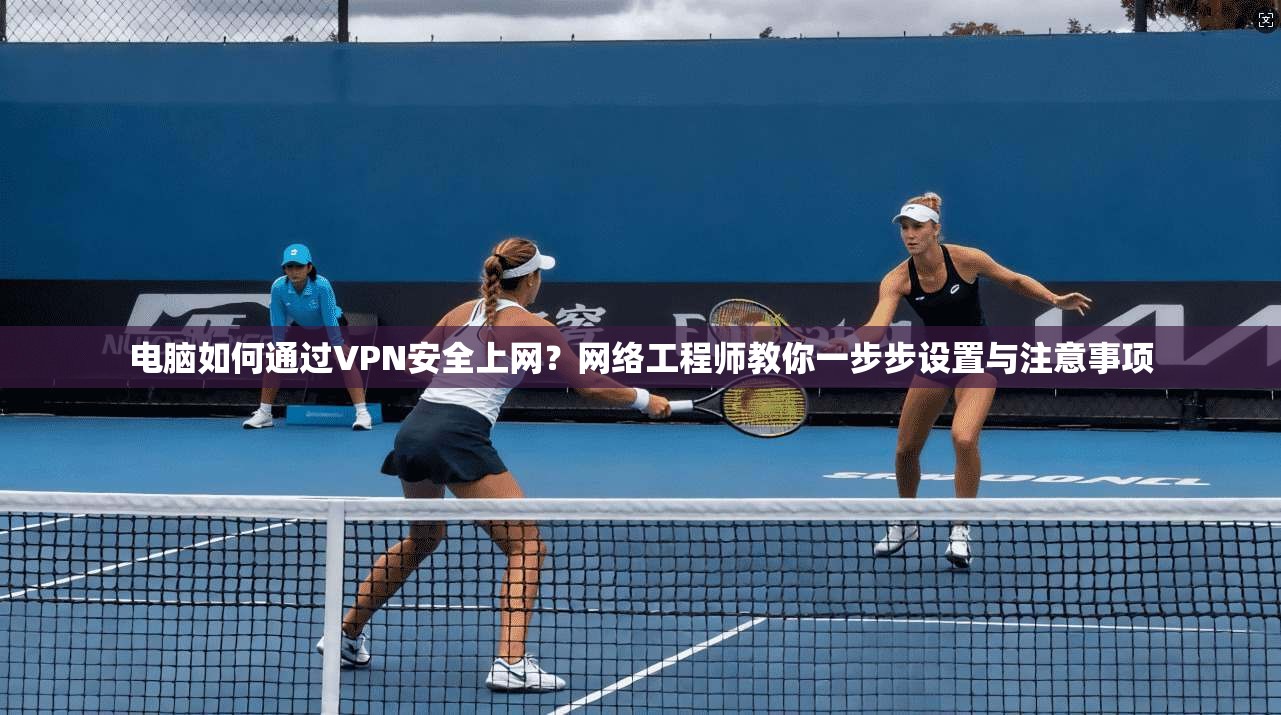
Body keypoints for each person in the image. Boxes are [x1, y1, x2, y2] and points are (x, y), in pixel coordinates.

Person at [318, 238, 671, 692]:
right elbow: (587, 385)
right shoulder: (534, 326)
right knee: (528, 546)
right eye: (540, 275)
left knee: (422, 538)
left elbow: (418, 362)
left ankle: (345, 636)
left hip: (415, 430)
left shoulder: (461, 312)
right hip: (458, 434)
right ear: (531, 280)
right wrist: (646, 399)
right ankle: (511, 662)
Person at [830, 192, 1091, 567]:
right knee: (905, 450)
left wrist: (1054, 299)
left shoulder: (966, 259)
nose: (909, 235)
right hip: (936, 362)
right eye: (904, 228)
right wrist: (850, 341)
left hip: (977, 360)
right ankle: (906, 521)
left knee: (964, 437)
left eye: (917, 227)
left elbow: (1014, 280)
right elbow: (876, 326)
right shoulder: (897, 279)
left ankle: (960, 528)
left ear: (935, 230)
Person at [242, 243, 373, 430]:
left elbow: (329, 316)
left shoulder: (322, 285)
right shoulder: (278, 287)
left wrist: (337, 343)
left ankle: (362, 414)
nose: (294, 271)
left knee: (345, 360)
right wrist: (278, 346)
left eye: (299, 266)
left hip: (331, 325)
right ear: (284, 269)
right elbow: (277, 319)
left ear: (309, 267)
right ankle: (265, 414)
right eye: (290, 267)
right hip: (302, 327)